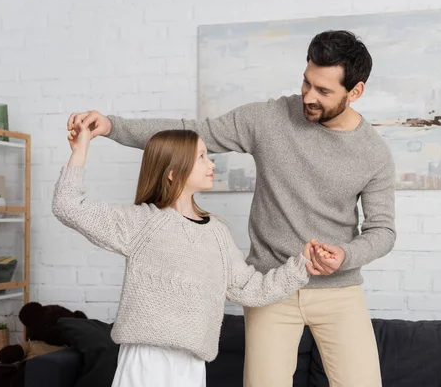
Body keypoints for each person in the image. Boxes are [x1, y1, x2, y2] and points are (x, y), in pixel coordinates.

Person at [67, 30, 396, 387]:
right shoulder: (268, 119)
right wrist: (113, 126)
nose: (308, 96)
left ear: (356, 92)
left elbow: (383, 231)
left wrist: (344, 255)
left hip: (339, 290)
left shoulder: (374, 153)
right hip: (269, 286)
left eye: (324, 91)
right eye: (306, 82)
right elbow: (190, 133)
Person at [52, 124, 316, 387]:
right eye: (201, 157)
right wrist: (81, 148)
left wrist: (303, 264)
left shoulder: (217, 234)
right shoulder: (142, 222)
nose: (211, 164)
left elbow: (250, 289)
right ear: (172, 172)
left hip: (191, 364)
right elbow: (67, 205)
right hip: (146, 359)